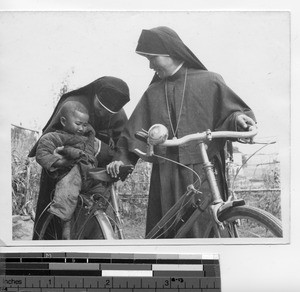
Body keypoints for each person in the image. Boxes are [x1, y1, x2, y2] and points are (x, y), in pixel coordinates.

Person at [106, 26, 256, 238]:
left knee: (206, 227)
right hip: (167, 173)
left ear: (170, 52)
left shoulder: (210, 80)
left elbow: (232, 113)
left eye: (152, 58)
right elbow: (133, 134)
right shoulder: (153, 92)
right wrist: (122, 159)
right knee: (169, 230)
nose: (150, 66)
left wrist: (238, 118)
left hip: (205, 169)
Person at [30, 76, 130, 240]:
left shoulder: (116, 110)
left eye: (108, 112)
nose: (102, 113)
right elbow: (50, 141)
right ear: (95, 95)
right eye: (100, 106)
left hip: (94, 171)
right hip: (63, 168)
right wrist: (57, 159)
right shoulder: (74, 103)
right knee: (58, 215)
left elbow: (123, 144)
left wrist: (117, 159)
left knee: (101, 212)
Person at [35, 101, 107, 239]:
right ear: (63, 121)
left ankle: (99, 211)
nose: (81, 128)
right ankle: (62, 218)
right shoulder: (55, 137)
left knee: (102, 188)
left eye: (85, 125)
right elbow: (42, 154)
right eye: (78, 124)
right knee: (68, 195)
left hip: (88, 174)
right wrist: (61, 162)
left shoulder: (88, 138)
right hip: (68, 175)